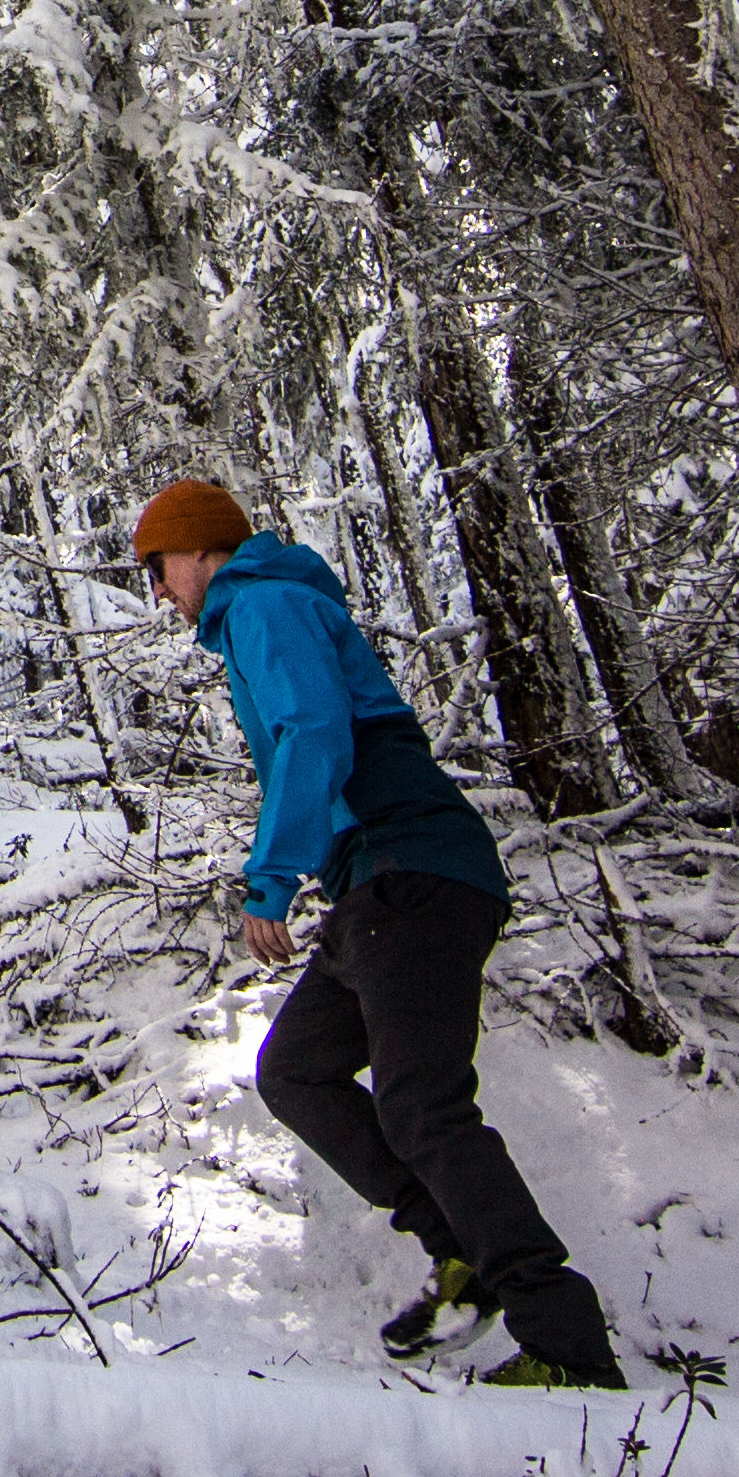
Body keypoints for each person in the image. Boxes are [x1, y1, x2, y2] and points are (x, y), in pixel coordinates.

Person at [134, 478, 626, 1390]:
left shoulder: (264, 602)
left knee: (423, 1105)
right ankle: (461, 1254)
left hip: (414, 872)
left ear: (199, 549)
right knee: (296, 1071)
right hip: (378, 884)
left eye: (157, 569)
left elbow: (314, 732)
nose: (158, 592)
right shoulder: (263, 608)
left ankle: (567, 1343)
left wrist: (271, 877)